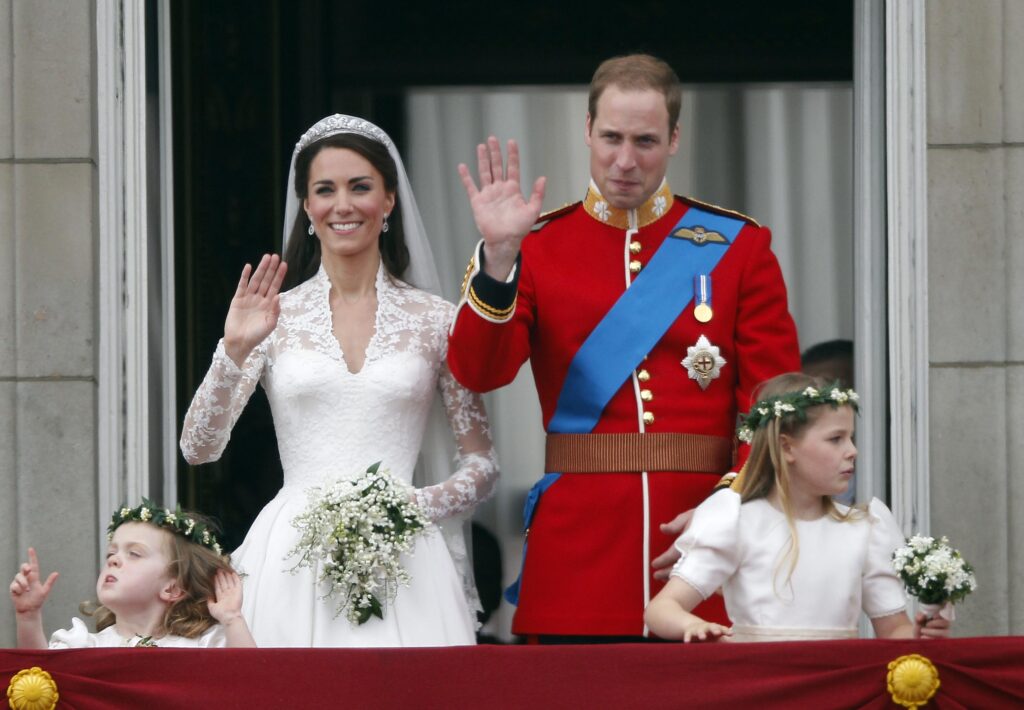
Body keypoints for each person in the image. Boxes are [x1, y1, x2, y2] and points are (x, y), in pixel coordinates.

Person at [448, 54, 800, 640]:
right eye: (610, 138)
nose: (625, 160)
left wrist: (728, 506)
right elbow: (479, 371)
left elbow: (773, 405)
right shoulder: (537, 246)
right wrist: (498, 260)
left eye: (646, 141)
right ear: (586, 130)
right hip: (577, 559)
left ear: (675, 139)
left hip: (702, 548)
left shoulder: (738, 247)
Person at [179, 114, 498, 647]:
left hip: (405, 557)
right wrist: (233, 349)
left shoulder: (437, 319)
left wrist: (414, 506)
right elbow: (198, 448)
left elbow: (482, 463)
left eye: (360, 187)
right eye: (324, 189)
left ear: (389, 200)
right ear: (307, 206)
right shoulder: (271, 316)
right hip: (290, 557)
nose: (342, 205)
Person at [644, 373, 952, 642]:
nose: (852, 451)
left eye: (851, 438)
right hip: (759, 685)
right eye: (836, 439)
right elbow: (661, 609)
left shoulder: (864, 528)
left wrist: (919, 633)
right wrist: (694, 626)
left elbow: (893, 630)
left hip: (837, 687)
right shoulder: (736, 521)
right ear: (787, 446)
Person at [9, 501, 255, 648]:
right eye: (111, 554)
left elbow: (252, 682)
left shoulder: (203, 646)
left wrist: (232, 618)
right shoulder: (84, 645)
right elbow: (40, 680)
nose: (114, 559)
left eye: (134, 554)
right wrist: (29, 617)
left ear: (172, 588)